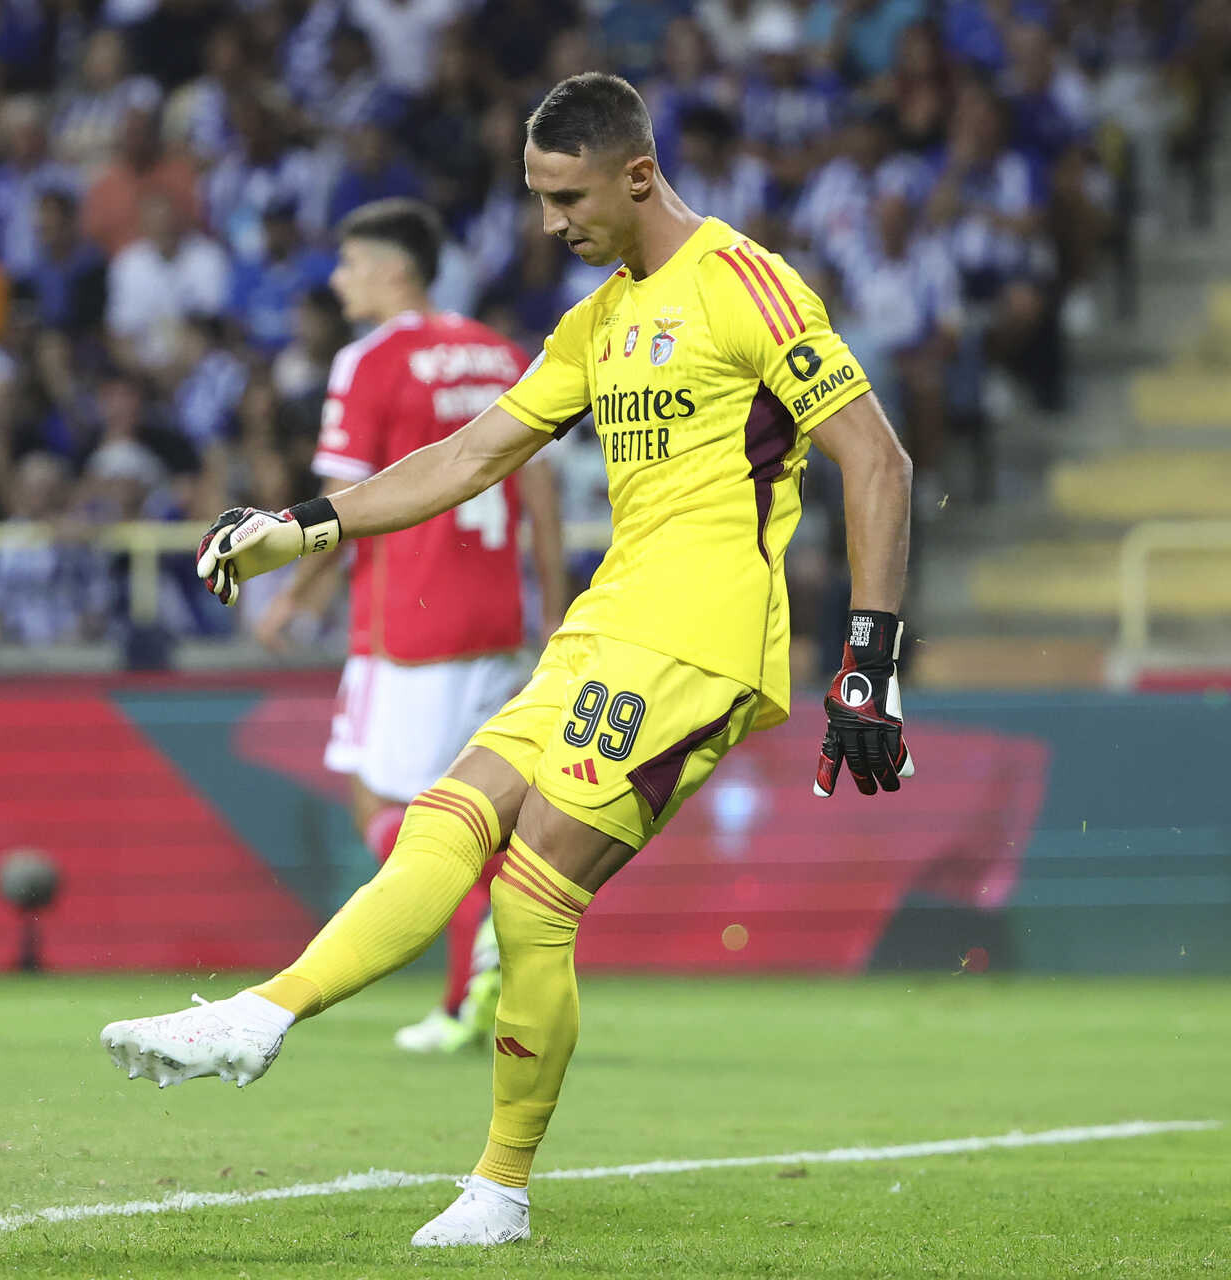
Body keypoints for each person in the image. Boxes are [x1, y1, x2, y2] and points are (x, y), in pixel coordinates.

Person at [100, 72, 914, 1248]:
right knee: (451, 815)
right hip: (604, 623)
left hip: (701, 638)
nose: (549, 223)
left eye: (567, 195)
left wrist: (869, 664)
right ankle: (266, 1016)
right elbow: (473, 451)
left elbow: (877, 459)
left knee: (537, 890)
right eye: (537, 197)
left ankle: (495, 1182)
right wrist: (304, 523)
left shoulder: (744, 284)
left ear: (638, 173)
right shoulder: (600, 320)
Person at [252, 197, 568, 1055]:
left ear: (395, 270)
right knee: (469, 808)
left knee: (396, 810)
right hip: (499, 618)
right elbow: (541, 495)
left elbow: (342, 506)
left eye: (351, 264)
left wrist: (295, 594)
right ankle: (492, 960)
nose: (339, 280)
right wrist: (555, 612)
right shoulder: (501, 353)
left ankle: (477, 980)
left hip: (410, 622)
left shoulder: (370, 360)